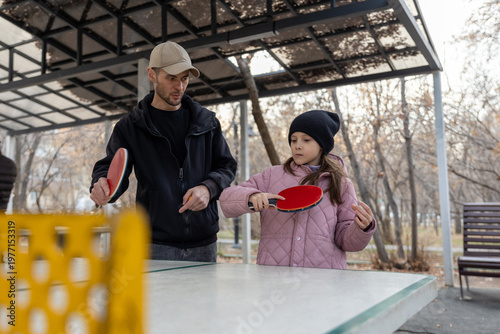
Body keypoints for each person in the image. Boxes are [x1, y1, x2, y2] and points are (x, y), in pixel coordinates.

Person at [90, 41, 237, 262]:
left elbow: (226, 166)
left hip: (205, 243)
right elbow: (110, 169)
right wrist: (101, 184)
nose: (179, 86)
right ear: (152, 75)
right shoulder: (130, 127)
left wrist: (208, 189)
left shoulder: (207, 122)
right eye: (171, 78)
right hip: (154, 245)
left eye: (185, 78)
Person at [219, 110, 376, 269]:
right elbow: (226, 199)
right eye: (293, 140)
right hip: (275, 279)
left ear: (322, 145)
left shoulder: (341, 184)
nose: (297, 145)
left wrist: (361, 228)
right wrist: (251, 196)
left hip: (324, 281)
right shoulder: (271, 176)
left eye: (306, 140)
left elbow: (348, 242)